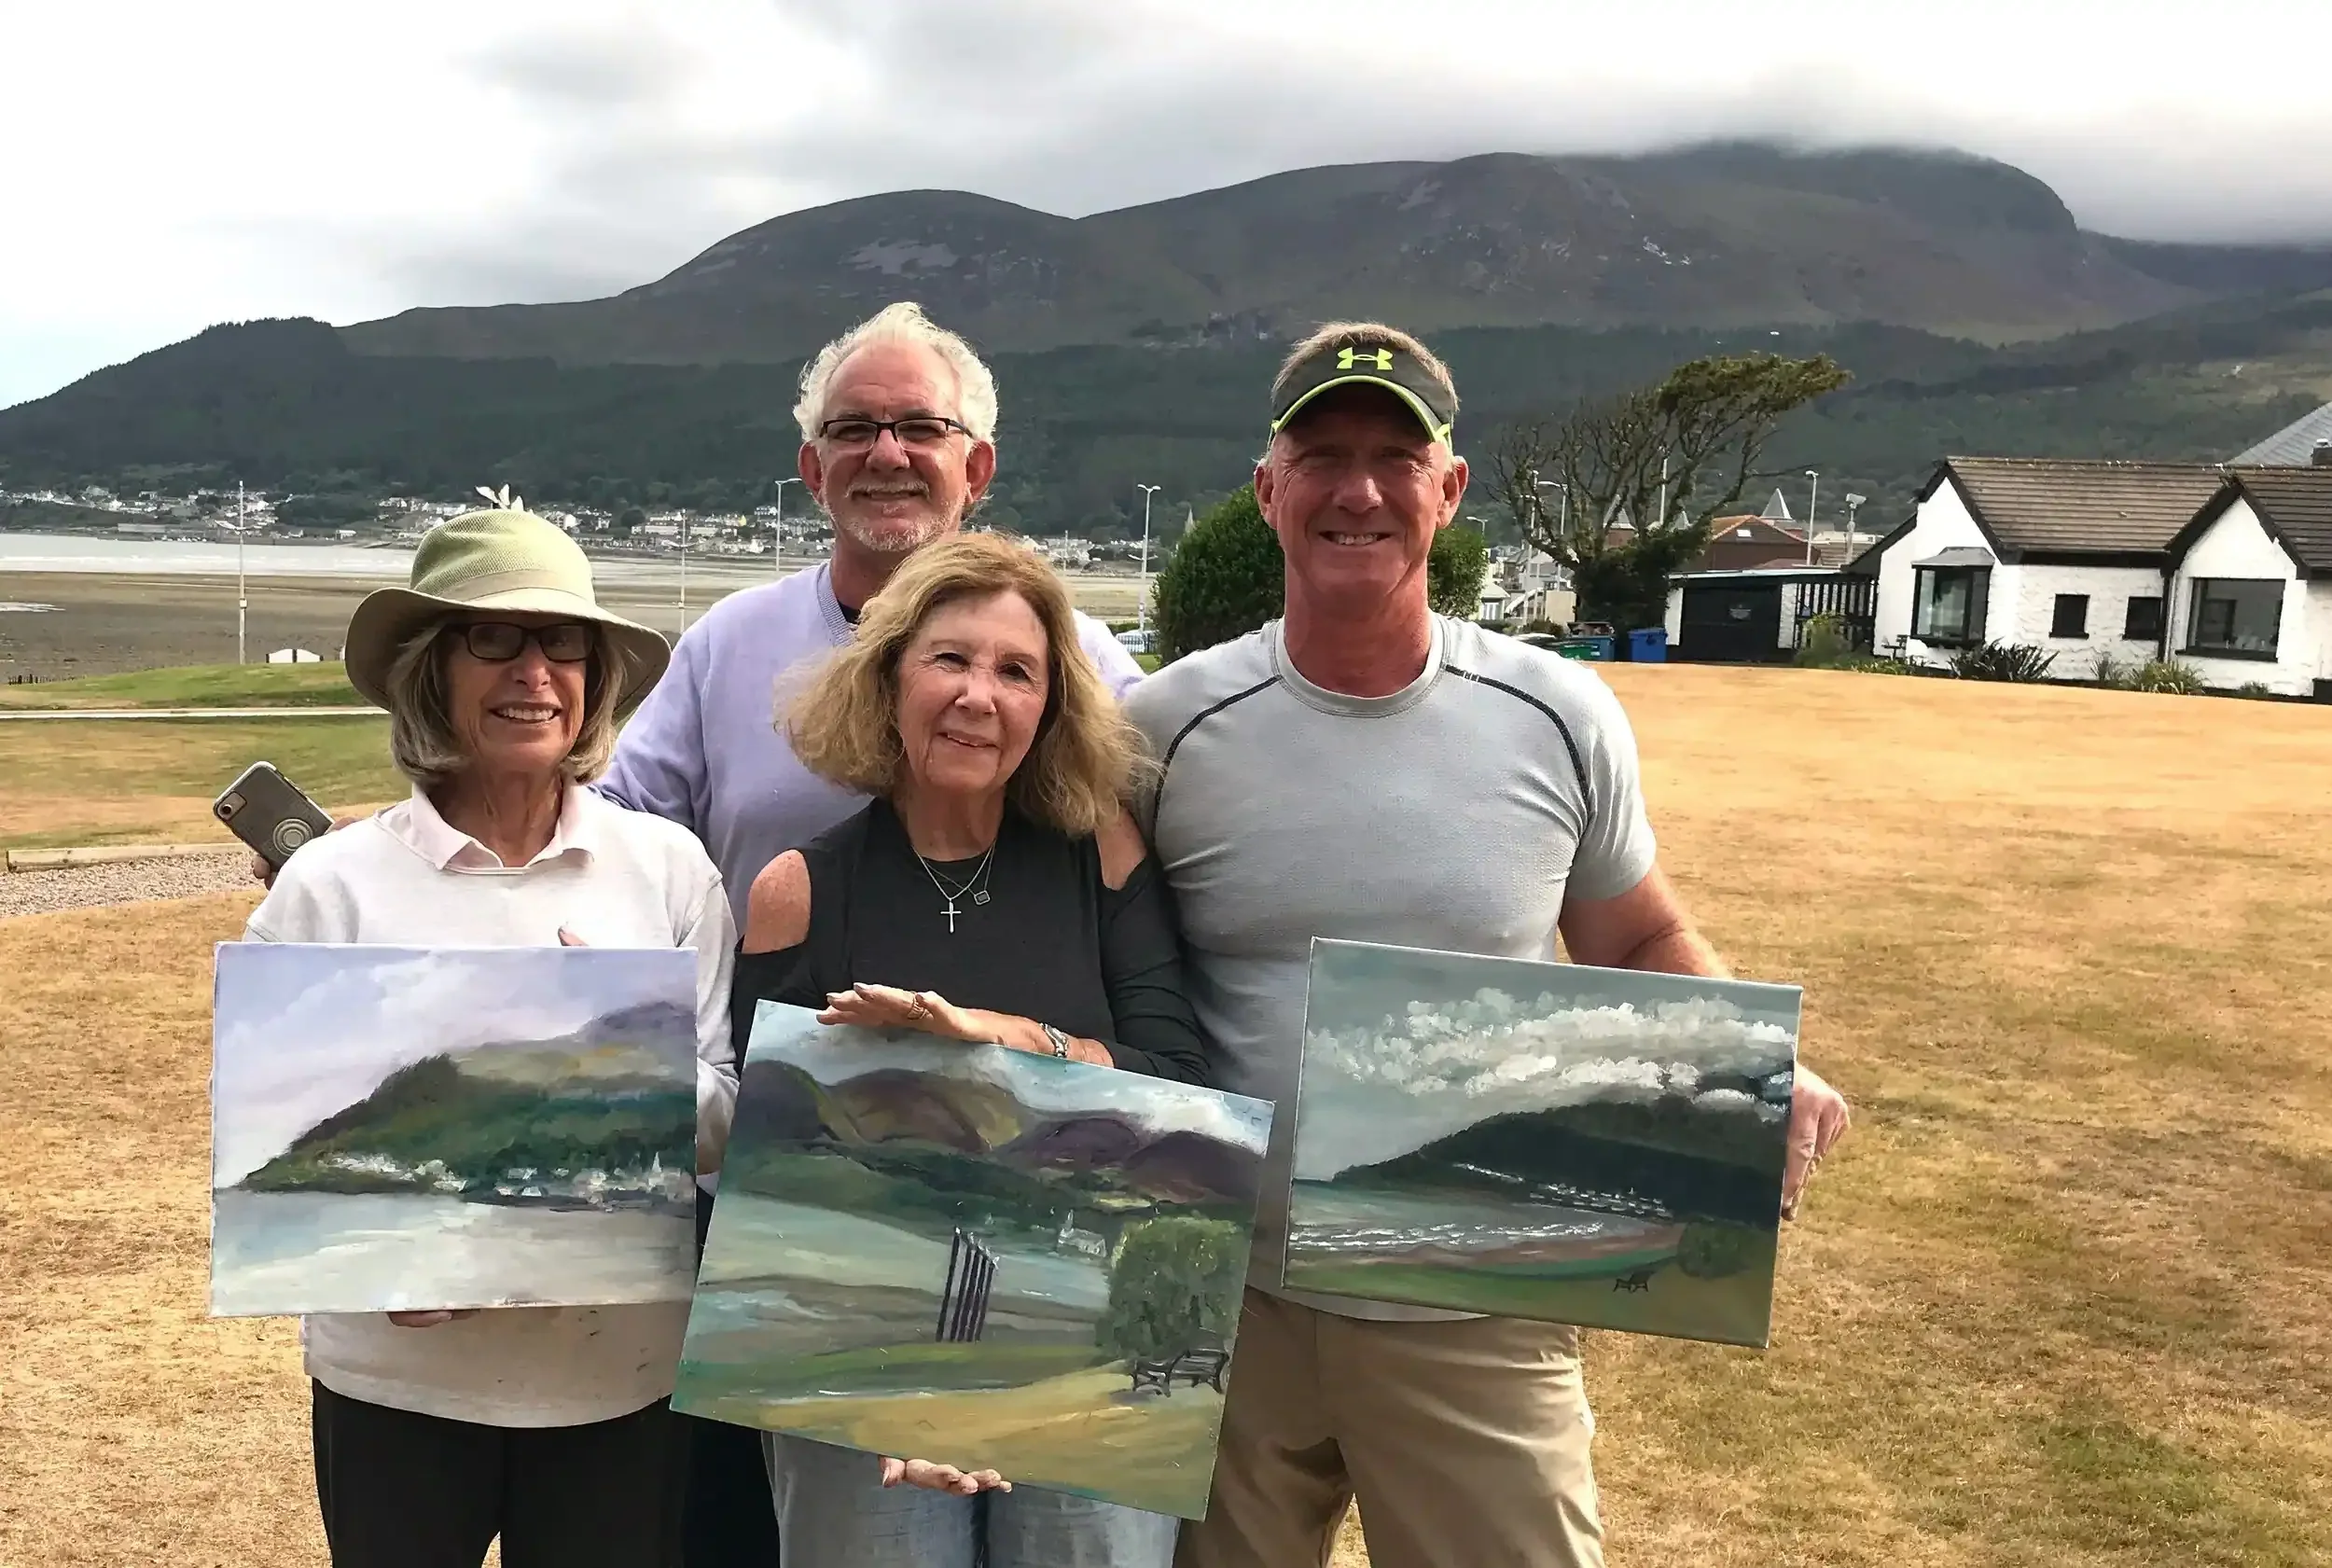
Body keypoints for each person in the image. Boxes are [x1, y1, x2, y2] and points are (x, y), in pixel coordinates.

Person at [1122, 322, 1854, 1568]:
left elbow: (1640, 931)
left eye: (1396, 458)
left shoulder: (1557, 713)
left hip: (1474, 1285)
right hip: (1217, 1291)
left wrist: (1744, 1073)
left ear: (1449, 490)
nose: (1359, 489)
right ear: (1269, 489)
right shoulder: (1168, 726)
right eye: (1324, 454)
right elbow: (1102, 966)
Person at [241, 505, 739, 1568]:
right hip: (394, 1386)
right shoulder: (330, 887)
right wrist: (373, 1263)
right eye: (494, 638)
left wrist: (631, 1053)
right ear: (434, 668)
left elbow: (732, 1126)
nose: (535, 673)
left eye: (565, 643)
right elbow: (273, 1152)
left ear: (596, 676)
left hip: (622, 1382)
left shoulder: (668, 871)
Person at [731, 531, 1203, 1568]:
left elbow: (1183, 1088)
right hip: (860, 1355)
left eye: (1016, 669)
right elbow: (769, 1184)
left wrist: (1007, 1044)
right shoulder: (797, 894)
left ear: (1052, 705)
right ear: (889, 672)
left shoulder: (1102, 855)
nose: (977, 695)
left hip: (1098, 1339)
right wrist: (899, 1382)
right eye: (948, 657)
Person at [600, 299, 1145, 926]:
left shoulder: (1074, 656)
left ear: (977, 469)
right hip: (768, 1014)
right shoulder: (725, 645)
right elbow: (611, 832)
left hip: (1007, 1022)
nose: (886, 455)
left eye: (920, 427)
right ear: (814, 470)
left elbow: (1173, 826)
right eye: (853, 429)